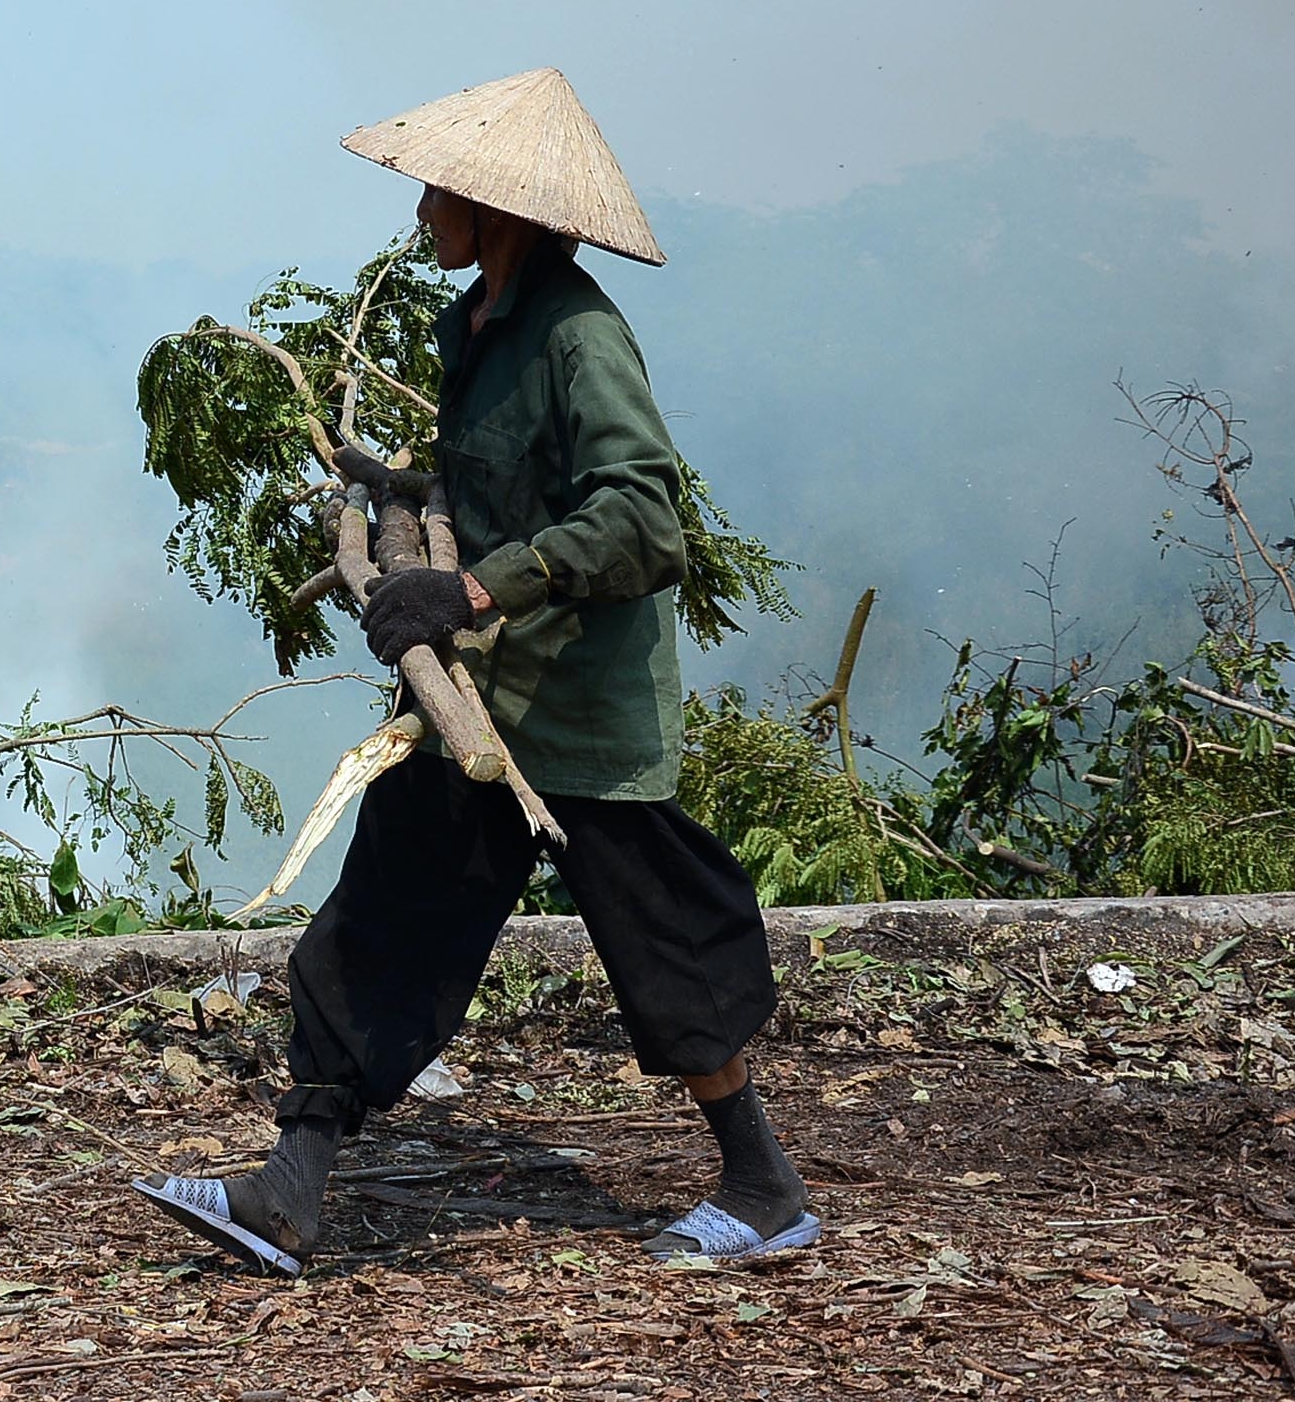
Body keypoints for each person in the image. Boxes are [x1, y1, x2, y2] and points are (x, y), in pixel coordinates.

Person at [132, 68, 815, 1272]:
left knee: (662, 942)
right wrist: (402, 496)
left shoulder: (578, 336)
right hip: (474, 704)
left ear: (496, 209)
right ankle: (289, 1187)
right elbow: (489, 488)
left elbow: (644, 517)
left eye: (437, 192)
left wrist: (475, 589)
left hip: (578, 714)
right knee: (383, 912)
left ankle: (763, 1186)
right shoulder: (477, 327)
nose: (420, 212)